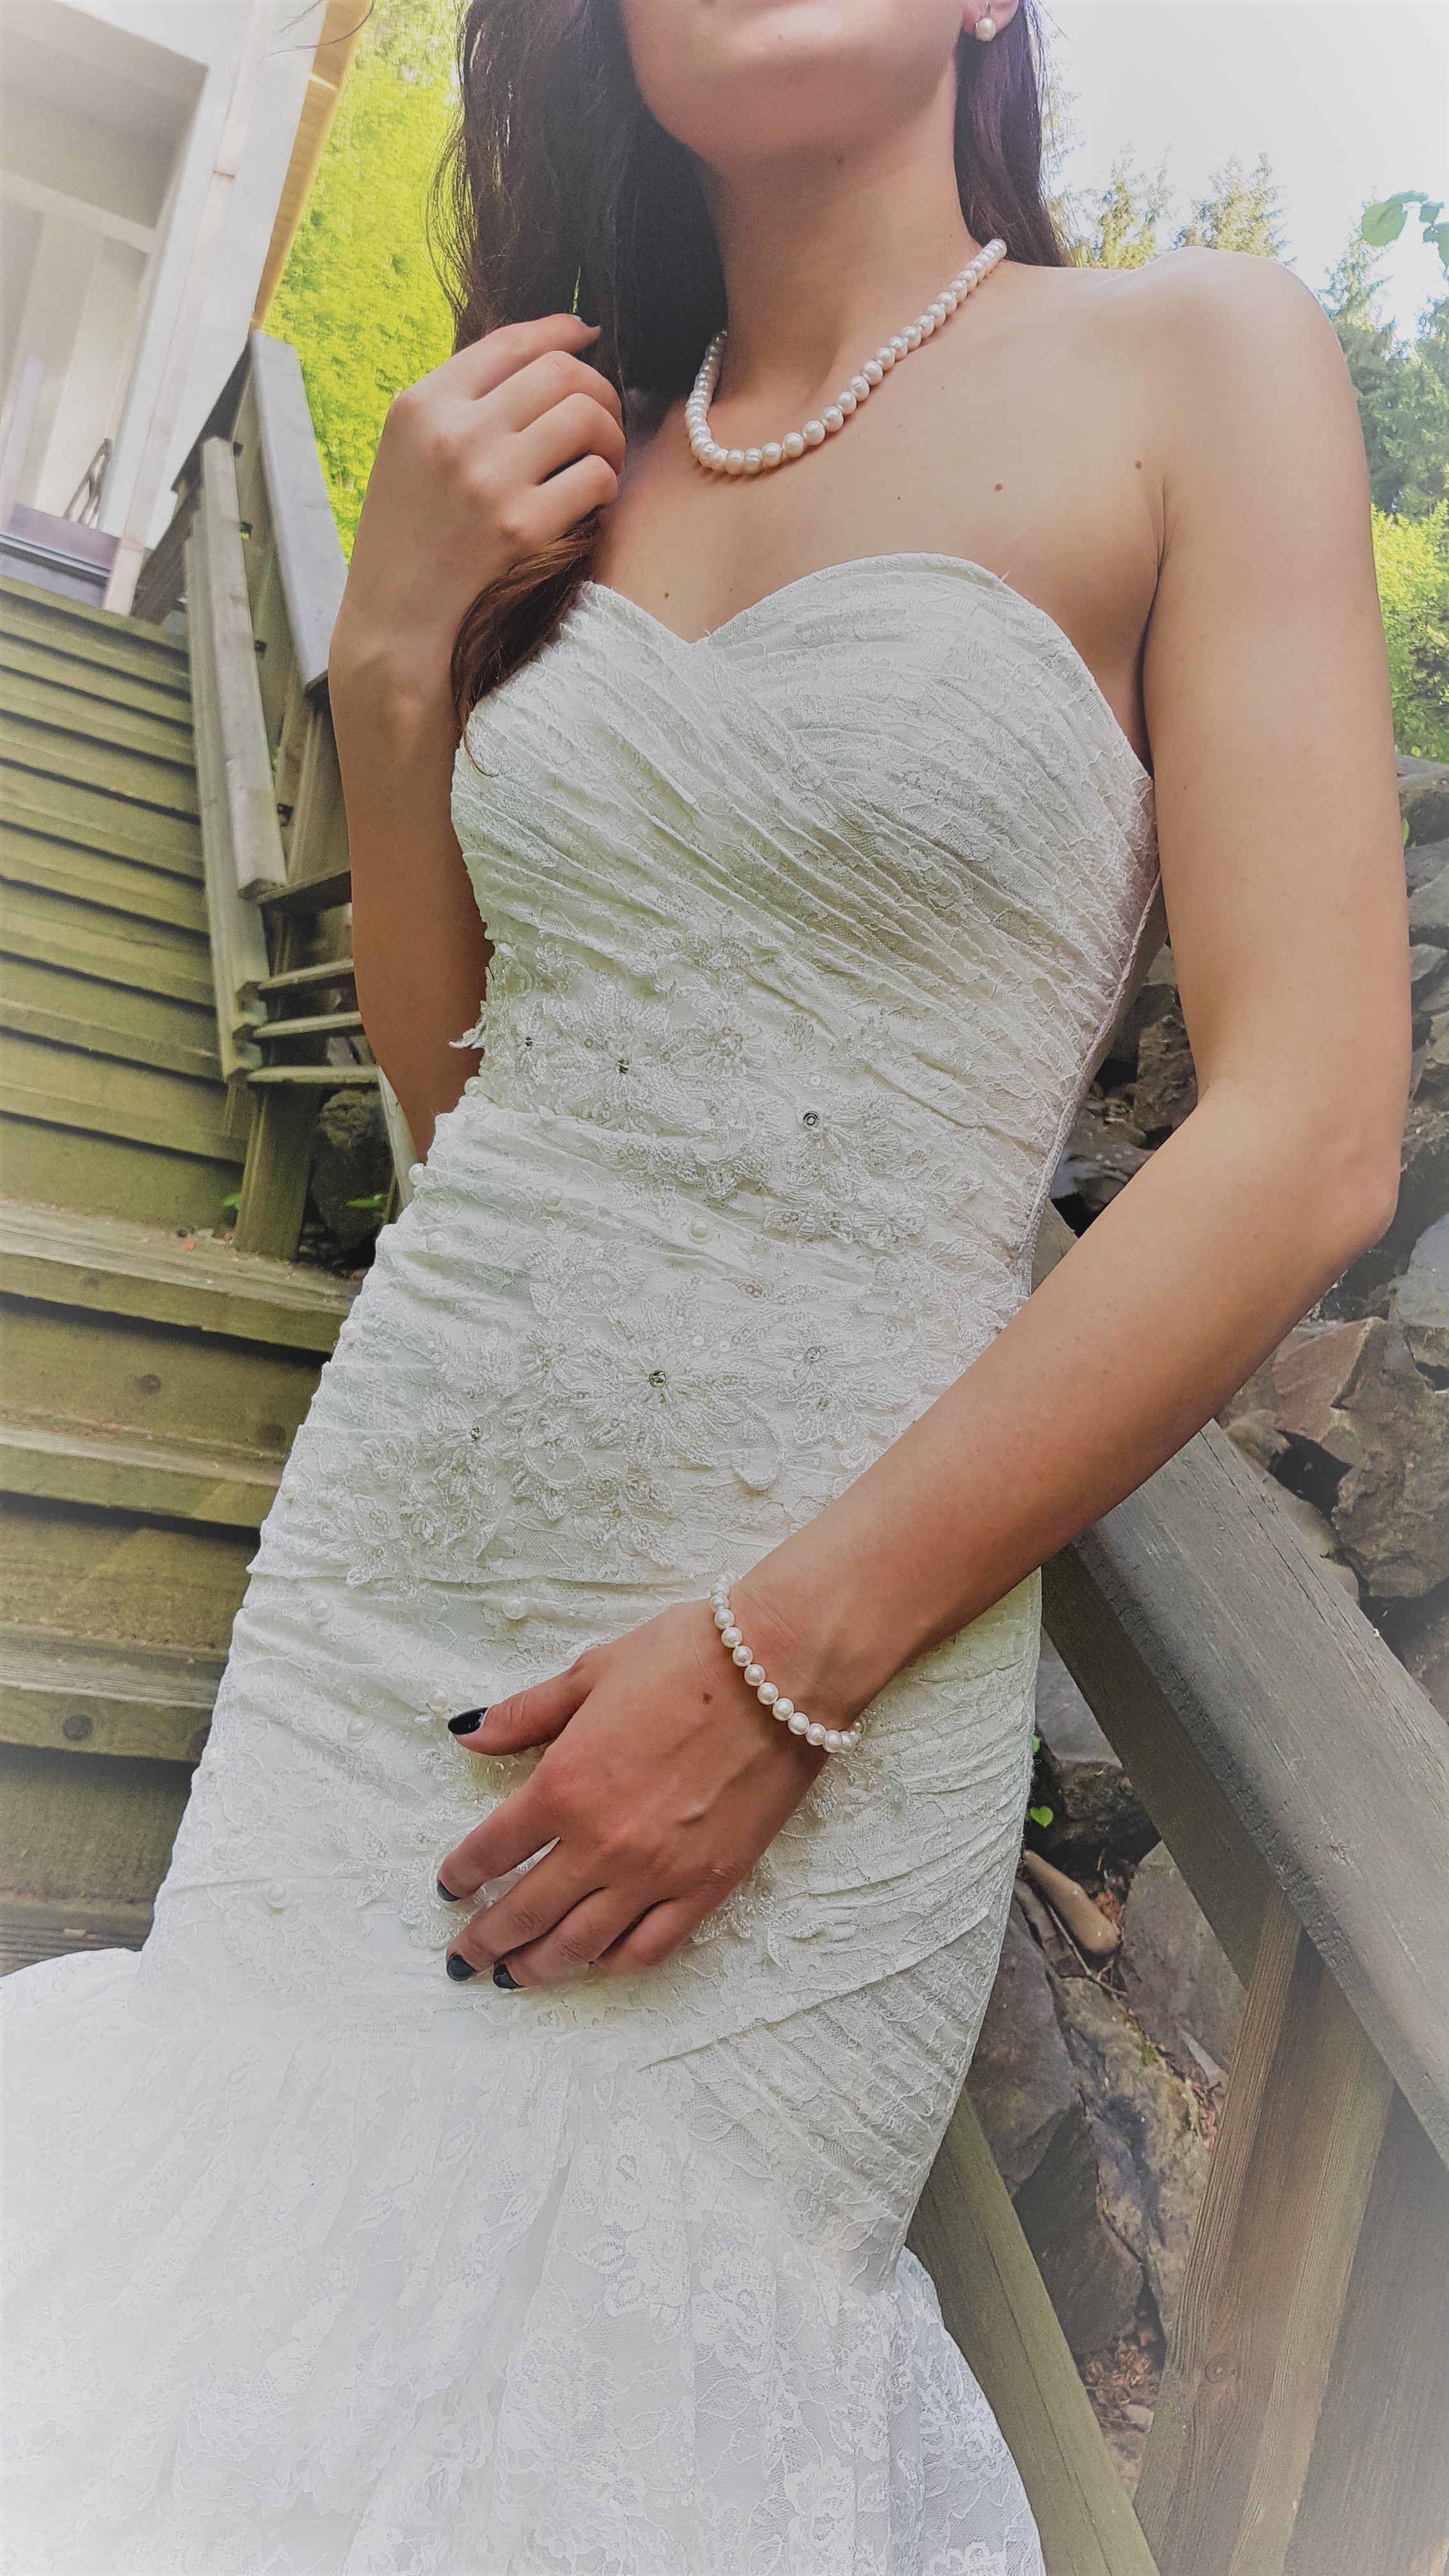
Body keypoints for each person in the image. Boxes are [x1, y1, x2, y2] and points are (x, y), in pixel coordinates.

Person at [1, 1, 1410, 2568]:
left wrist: (783, 1665)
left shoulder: (1197, 366)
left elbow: (1309, 1133)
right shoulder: (560, 450)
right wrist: (397, 661)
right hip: (379, 1621)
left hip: (819, 1698)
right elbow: (475, 1107)